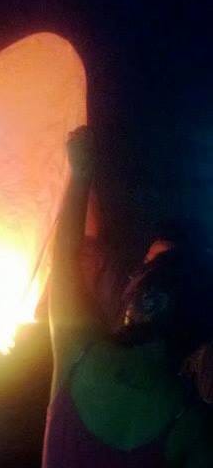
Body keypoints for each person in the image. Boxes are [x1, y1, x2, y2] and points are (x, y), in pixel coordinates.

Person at [43, 126, 213, 468]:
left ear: (142, 297)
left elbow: (63, 256)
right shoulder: (191, 422)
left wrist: (80, 174)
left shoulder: (78, 353)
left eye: (144, 270)